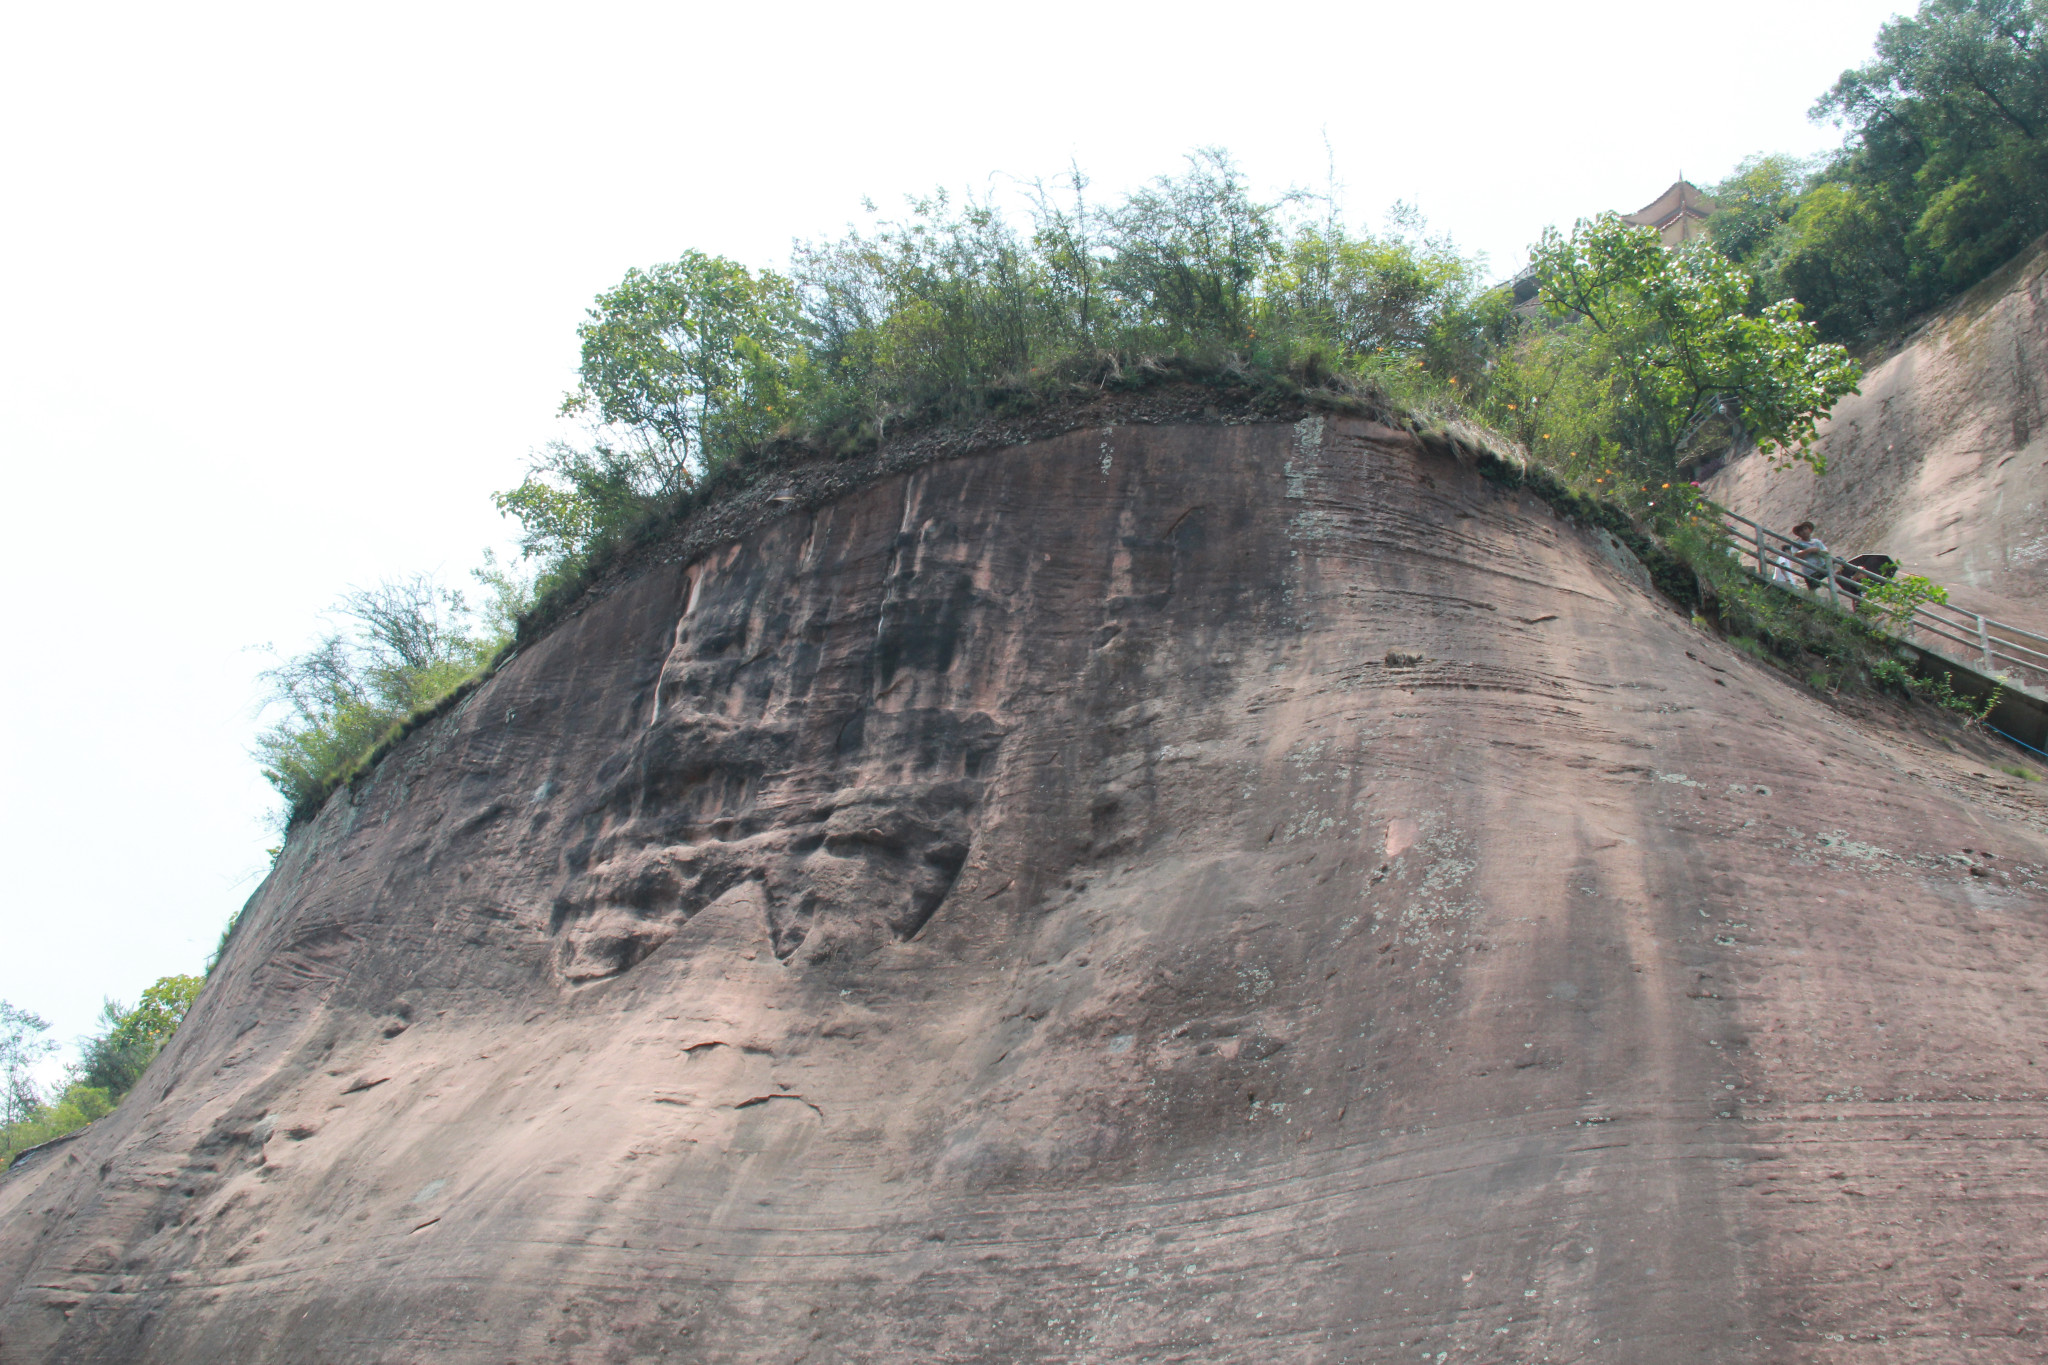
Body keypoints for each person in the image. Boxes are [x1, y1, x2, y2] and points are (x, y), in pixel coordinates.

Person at [1788, 521, 1831, 590]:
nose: (1804, 531)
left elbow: (1826, 552)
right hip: (1810, 572)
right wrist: (1809, 550)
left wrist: (1818, 551)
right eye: (1801, 530)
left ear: (1809, 530)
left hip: (1821, 567)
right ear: (1799, 534)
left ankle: (1836, 572)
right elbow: (1796, 554)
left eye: (1805, 529)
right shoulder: (1797, 544)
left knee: (1838, 560)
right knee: (1813, 590)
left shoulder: (1817, 542)